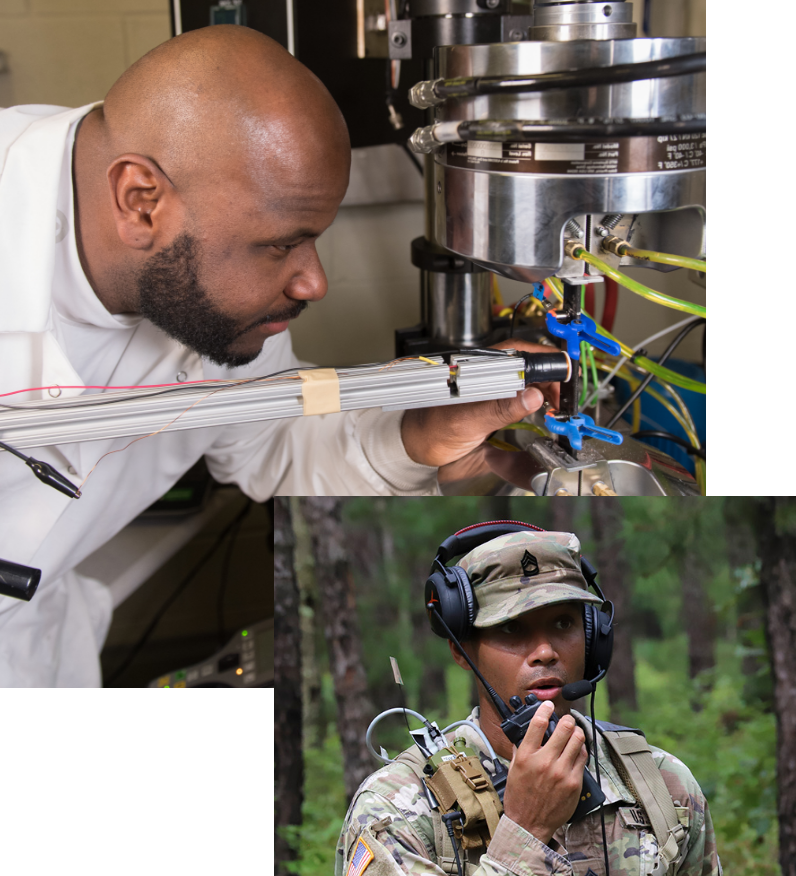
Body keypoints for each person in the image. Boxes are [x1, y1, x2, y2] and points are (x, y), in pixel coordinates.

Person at [0, 26, 559, 686]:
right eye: (277, 245)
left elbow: (272, 436)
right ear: (140, 201)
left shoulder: (203, 295)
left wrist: (415, 435)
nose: (312, 283)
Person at [337, 524, 721, 875]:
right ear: (462, 650)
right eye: (511, 628)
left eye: (563, 623)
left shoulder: (662, 785)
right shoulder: (397, 808)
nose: (544, 651)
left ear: (593, 637)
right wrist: (526, 830)